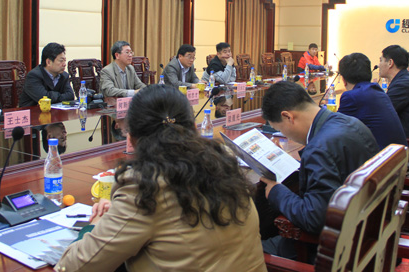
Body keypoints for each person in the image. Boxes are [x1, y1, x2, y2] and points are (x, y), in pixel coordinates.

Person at [55, 85, 267, 272]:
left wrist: (96, 225)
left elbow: (74, 267)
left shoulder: (144, 188)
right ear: (193, 128)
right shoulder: (224, 162)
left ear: (132, 139)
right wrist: (122, 214)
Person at [259, 81, 379, 259]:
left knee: (253, 248)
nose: (284, 135)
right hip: (367, 232)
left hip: (334, 250)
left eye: (280, 130)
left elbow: (313, 218)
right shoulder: (350, 122)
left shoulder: (319, 148)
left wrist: (276, 192)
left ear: (288, 117)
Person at [337, 53, 408, 150]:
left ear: (343, 80)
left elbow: (335, 129)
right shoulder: (377, 90)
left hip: (381, 158)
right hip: (398, 156)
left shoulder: (352, 96)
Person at [19, 43, 74, 107]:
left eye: (65, 60)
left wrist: (51, 96)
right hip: (33, 112)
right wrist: (60, 97)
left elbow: (70, 96)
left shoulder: (64, 76)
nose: (64, 64)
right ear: (48, 62)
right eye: (61, 61)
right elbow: (44, 99)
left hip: (55, 112)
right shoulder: (33, 76)